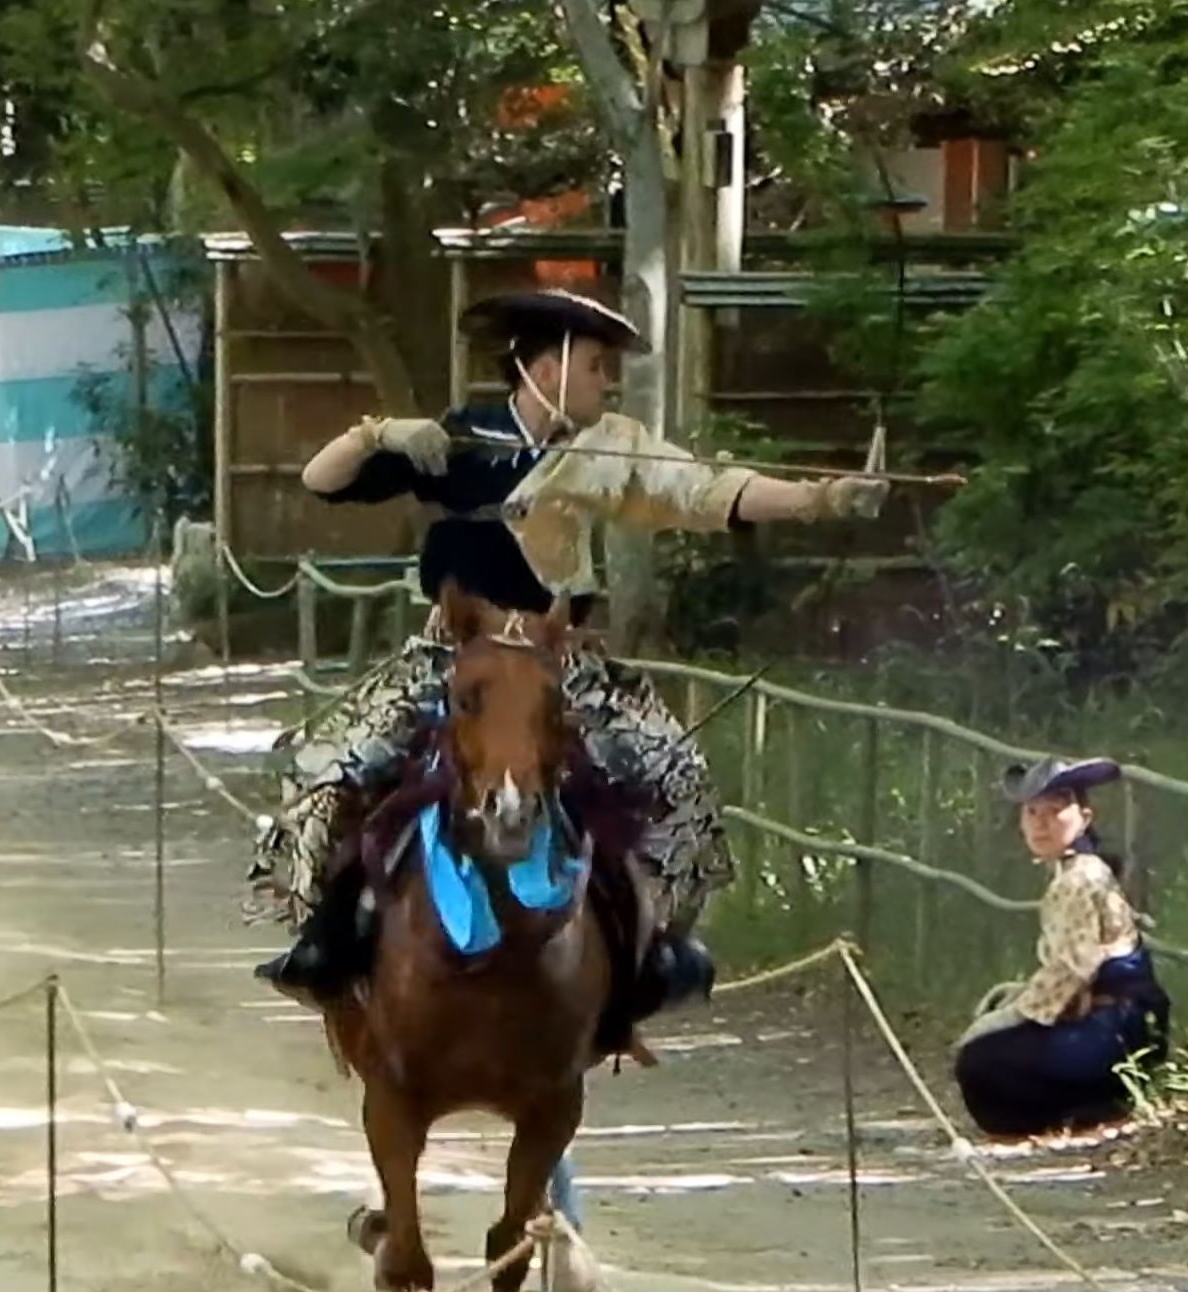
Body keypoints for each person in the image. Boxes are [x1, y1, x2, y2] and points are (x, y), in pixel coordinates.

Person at [248, 288, 889, 1053]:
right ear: (543, 366)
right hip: (454, 659)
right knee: (331, 774)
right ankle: (328, 943)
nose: (603, 383)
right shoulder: (460, 439)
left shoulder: (612, 445)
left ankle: (654, 949)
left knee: (679, 776)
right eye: (593, 366)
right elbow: (322, 480)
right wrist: (377, 433)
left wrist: (822, 497)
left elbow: (710, 489)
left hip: (562, 664)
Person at [953, 758, 1171, 1138]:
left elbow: (1075, 967)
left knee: (980, 1061)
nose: (1041, 823)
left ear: (1084, 818)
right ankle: (1085, 1103)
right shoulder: (1077, 872)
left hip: (1114, 1026)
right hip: (1122, 1022)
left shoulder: (1079, 880)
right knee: (988, 1057)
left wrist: (1013, 1015)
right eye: (1032, 812)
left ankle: (1090, 1105)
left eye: (1055, 812)